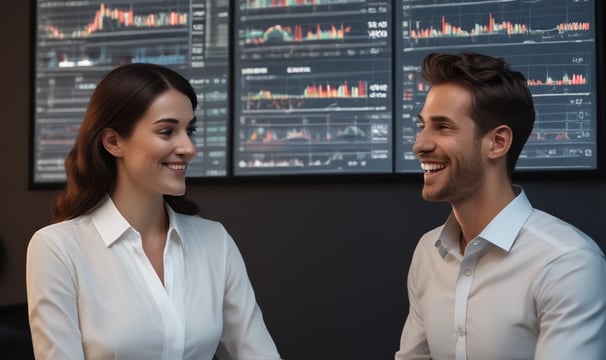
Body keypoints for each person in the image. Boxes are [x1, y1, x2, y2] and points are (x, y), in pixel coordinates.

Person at [26, 63, 282, 360]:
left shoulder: (215, 242)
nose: (188, 147)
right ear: (114, 142)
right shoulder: (58, 249)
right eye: (167, 131)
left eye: (190, 130)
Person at [395, 52, 606, 360]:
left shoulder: (568, 264)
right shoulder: (428, 252)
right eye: (423, 125)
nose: (420, 144)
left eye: (442, 127)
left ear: (498, 142)